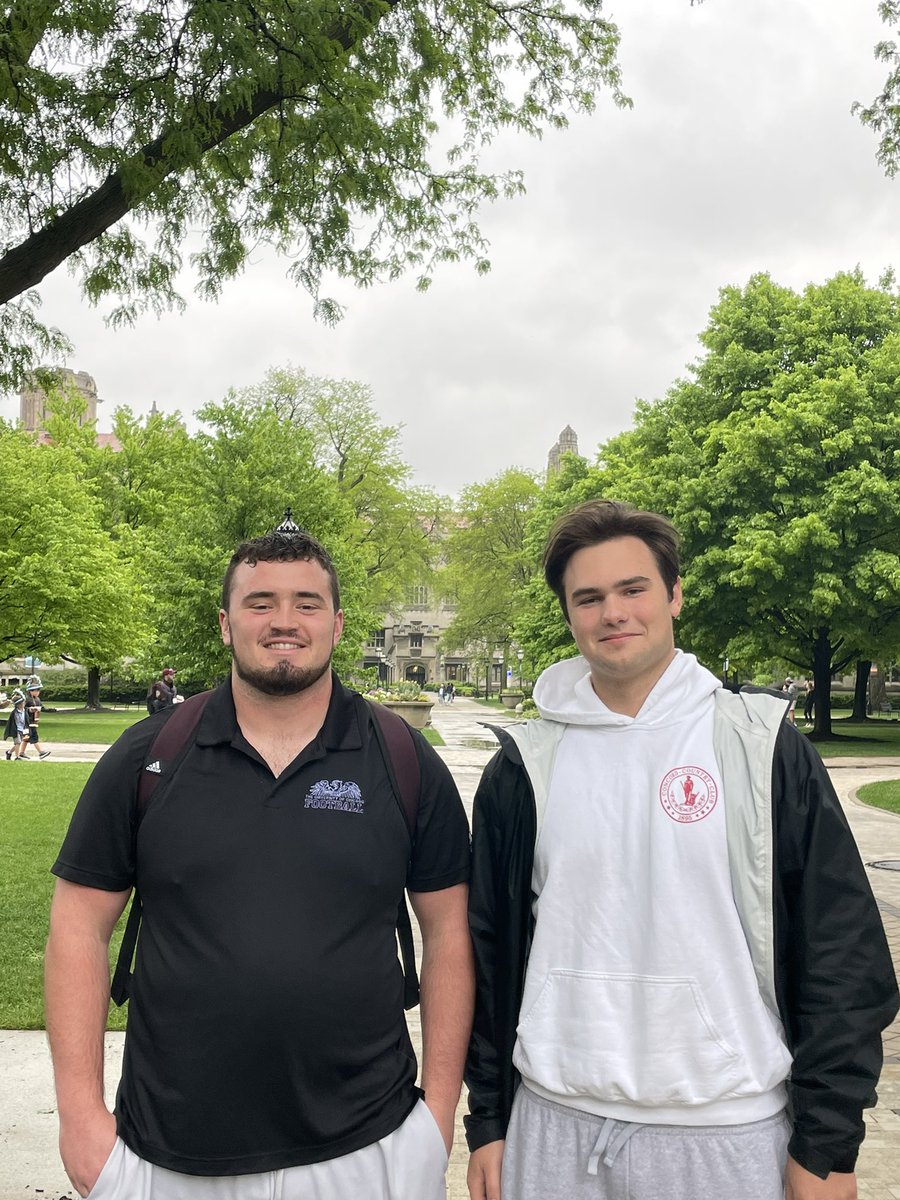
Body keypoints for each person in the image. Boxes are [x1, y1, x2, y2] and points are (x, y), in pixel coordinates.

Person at [464, 499, 898, 1200]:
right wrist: (487, 1119)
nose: (614, 613)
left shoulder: (761, 747)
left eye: (633, 589)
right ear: (570, 614)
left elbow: (842, 950)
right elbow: (487, 949)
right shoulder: (525, 767)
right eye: (590, 597)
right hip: (553, 1123)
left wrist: (828, 1146)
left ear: (674, 595)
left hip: (728, 1131)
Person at [45, 523, 474, 1200]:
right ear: (225, 624)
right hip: (169, 1154)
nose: (284, 622)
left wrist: (438, 1116)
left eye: (306, 604)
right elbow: (77, 927)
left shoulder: (401, 759)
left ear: (336, 625)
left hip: (369, 1148)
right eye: (260, 602)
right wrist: (79, 1119)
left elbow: (450, 933)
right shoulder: (149, 756)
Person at [23, 675, 51, 758]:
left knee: (26, 738)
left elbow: (42, 708)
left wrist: (50, 710)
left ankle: (18, 753)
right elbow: (22, 709)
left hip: (34, 720)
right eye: (36, 690)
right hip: (27, 721)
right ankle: (41, 752)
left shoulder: (37, 699)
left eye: (39, 690)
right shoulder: (27, 699)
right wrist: (31, 709)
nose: (38, 692)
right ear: (31, 691)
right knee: (33, 736)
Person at [4, 687, 30, 759]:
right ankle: (17, 757)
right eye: (22, 703)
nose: (23, 703)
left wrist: (26, 731)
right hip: (16, 730)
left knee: (18, 743)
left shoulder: (24, 711)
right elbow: (11, 723)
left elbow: (26, 722)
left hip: (22, 729)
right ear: (18, 704)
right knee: (18, 742)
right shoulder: (14, 713)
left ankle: (9, 752)